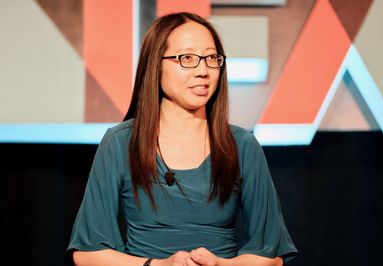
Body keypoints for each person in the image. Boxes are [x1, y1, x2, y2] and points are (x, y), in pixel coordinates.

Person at [68, 12, 297, 266]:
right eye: (187, 58)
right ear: (155, 65)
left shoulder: (241, 145)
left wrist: (222, 265)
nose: (203, 70)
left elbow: (272, 257)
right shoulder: (121, 142)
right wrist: (158, 265)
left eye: (211, 58)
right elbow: (88, 254)